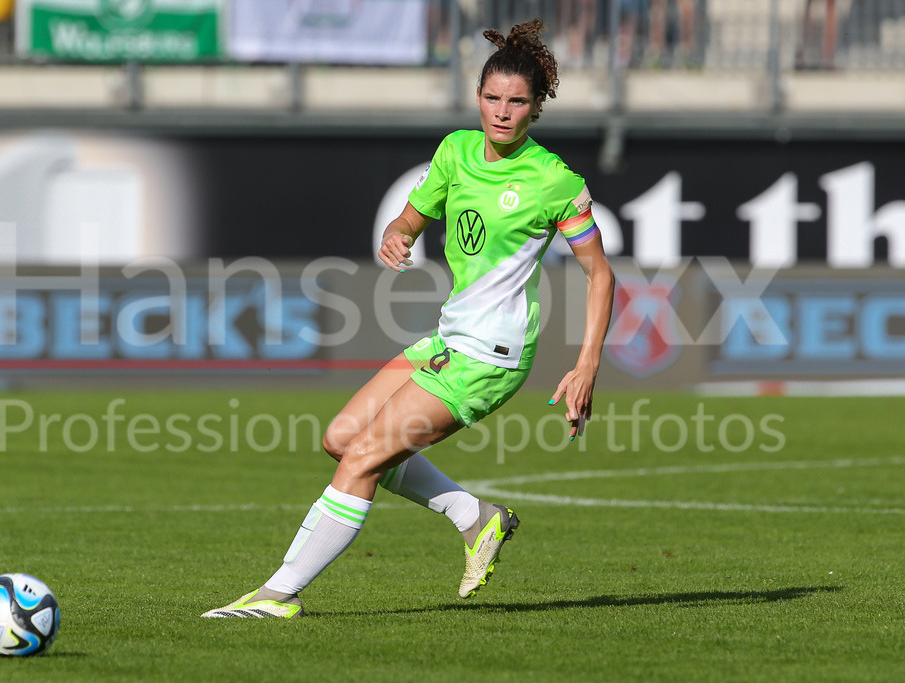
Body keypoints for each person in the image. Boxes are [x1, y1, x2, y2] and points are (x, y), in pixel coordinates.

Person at [201, 18, 616, 619]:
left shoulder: (554, 181)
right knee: (341, 439)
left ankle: (277, 594)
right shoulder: (453, 152)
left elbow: (599, 273)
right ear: (477, 97)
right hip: (450, 336)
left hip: (491, 355)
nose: (502, 113)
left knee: (364, 456)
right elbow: (409, 219)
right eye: (492, 98)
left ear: (536, 109)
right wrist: (397, 235)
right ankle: (475, 517)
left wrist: (586, 365)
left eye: (517, 102)